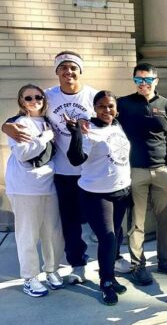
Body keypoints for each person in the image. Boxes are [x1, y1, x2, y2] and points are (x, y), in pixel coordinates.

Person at [2, 51, 97, 285]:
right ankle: (76, 264)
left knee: (97, 221)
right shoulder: (48, 96)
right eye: (63, 68)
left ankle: (109, 261)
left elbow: (110, 120)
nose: (68, 72)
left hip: (90, 171)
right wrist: (6, 126)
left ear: (80, 71)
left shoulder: (93, 96)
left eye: (73, 67)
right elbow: (25, 114)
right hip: (62, 173)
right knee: (68, 225)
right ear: (57, 72)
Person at [118, 63, 167, 285]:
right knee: (136, 223)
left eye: (147, 80)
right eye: (138, 80)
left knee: (165, 220)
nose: (143, 84)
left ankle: (165, 260)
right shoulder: (123, 105)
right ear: (134, 81)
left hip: (162, 171)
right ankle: (138, 265)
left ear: (156, 81)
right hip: (134, 171)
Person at [66, 91, 131, 305]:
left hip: (121, 191)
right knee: (108, 238)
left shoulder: (117, 125)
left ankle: (109, 274)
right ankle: (106, 282)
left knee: (117, 236)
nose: (107, 110)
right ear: (95, 108)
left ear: (116, 109)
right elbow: (75, 159)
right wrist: (76, 133)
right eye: (101, 106)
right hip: (96, 194)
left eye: (110, 106)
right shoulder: (87, 129)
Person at [5, 84, 65, 297]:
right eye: (28, 98)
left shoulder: (47, 121)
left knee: (52, 233)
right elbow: (22, 154)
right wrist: (43, 139)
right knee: (28, 234)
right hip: (25, 187)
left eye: (38, 96)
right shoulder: (19, 123)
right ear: (22, 102)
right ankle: (30, 277)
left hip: (48, 184)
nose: (34, 100)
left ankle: (51, 270)